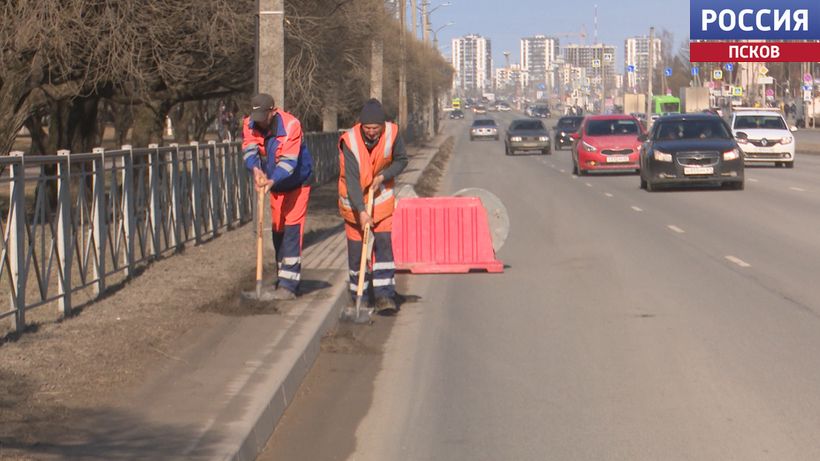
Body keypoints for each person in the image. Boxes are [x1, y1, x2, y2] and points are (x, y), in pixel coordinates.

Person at [338, 99, 408, 314]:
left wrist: (384, 176)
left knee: (384, 245)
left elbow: (402, 160)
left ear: (382, 125)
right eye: (366, 128)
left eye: (375, 128)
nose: (370, 132)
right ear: (361, 125)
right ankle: (359, 296)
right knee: (357, 252)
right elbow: (351, 180)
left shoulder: (393, 133)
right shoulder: (349, 141)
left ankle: (385, 295)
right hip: (354, 205)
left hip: (382, 201)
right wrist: (361, 211)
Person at [242, 93, 313, 300]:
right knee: (278, 230)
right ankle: (283, 277)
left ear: (273, 112)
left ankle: (289, 287)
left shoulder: (291, 126)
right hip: (275, 185)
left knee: (292, 229)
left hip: (297, 182)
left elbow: (289, 163)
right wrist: (255, 169)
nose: (260, 122)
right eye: (257, 117)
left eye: (264, 116)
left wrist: (272, 180)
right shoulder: (249, 123)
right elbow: (249, 150)